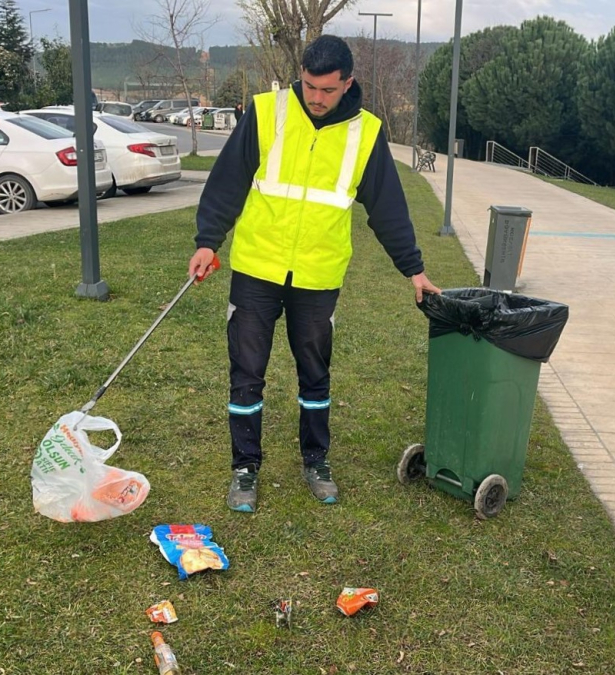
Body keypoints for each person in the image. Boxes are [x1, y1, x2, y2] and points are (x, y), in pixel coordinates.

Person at [188, 35, 441, 513]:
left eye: (327, 89)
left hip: (318, 277)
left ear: (347, 84)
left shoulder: (366, 133)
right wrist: (207, 241)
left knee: (315, 374)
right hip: (256, 269)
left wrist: (415, 270)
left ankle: (316, 461)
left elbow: (387, 207)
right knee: (246, 374)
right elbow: (228, 182)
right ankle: (245, 468)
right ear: (300, 76)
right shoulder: (267, 113)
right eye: (308, 86)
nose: (316, 98)